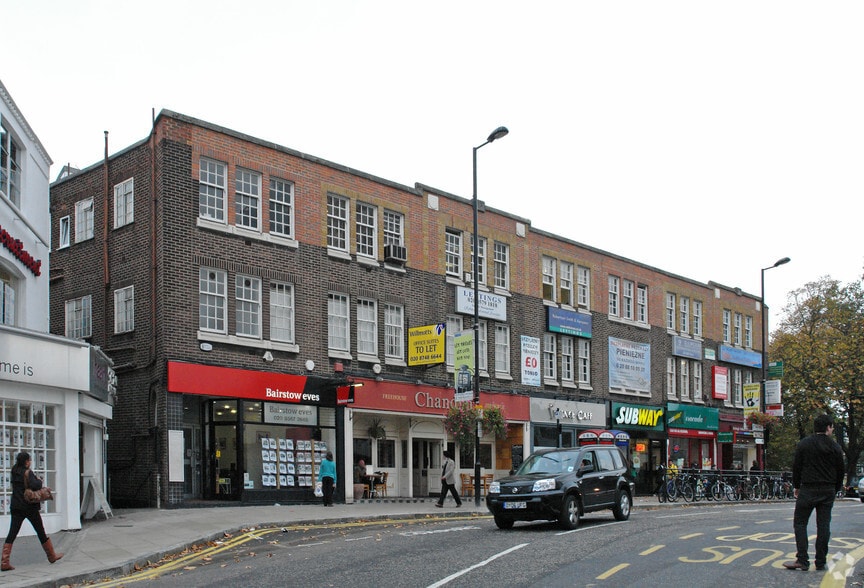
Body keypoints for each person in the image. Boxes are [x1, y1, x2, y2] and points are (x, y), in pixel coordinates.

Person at [782, 414, 845, 571]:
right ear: (828, 427)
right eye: (832, 427)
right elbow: (841, 470)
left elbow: (797, 466)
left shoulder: (804, 444)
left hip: (808, 488)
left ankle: (802, 559)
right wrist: (836, 488)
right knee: (823, 525)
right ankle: (821, 561)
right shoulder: (835, 447)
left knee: (800, 523)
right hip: (828, 489)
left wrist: (797, 486)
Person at [2, 452, 63, 572]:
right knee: (40, 530)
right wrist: (39, 480)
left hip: (16, 506)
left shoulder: (14, 470)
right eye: (29, 460)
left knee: (12, 533)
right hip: (29, 507)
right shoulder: (27, 472)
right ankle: (51, 556)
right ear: (26, 462)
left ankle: (4, 562)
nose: (30, 462)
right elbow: (36, 485)